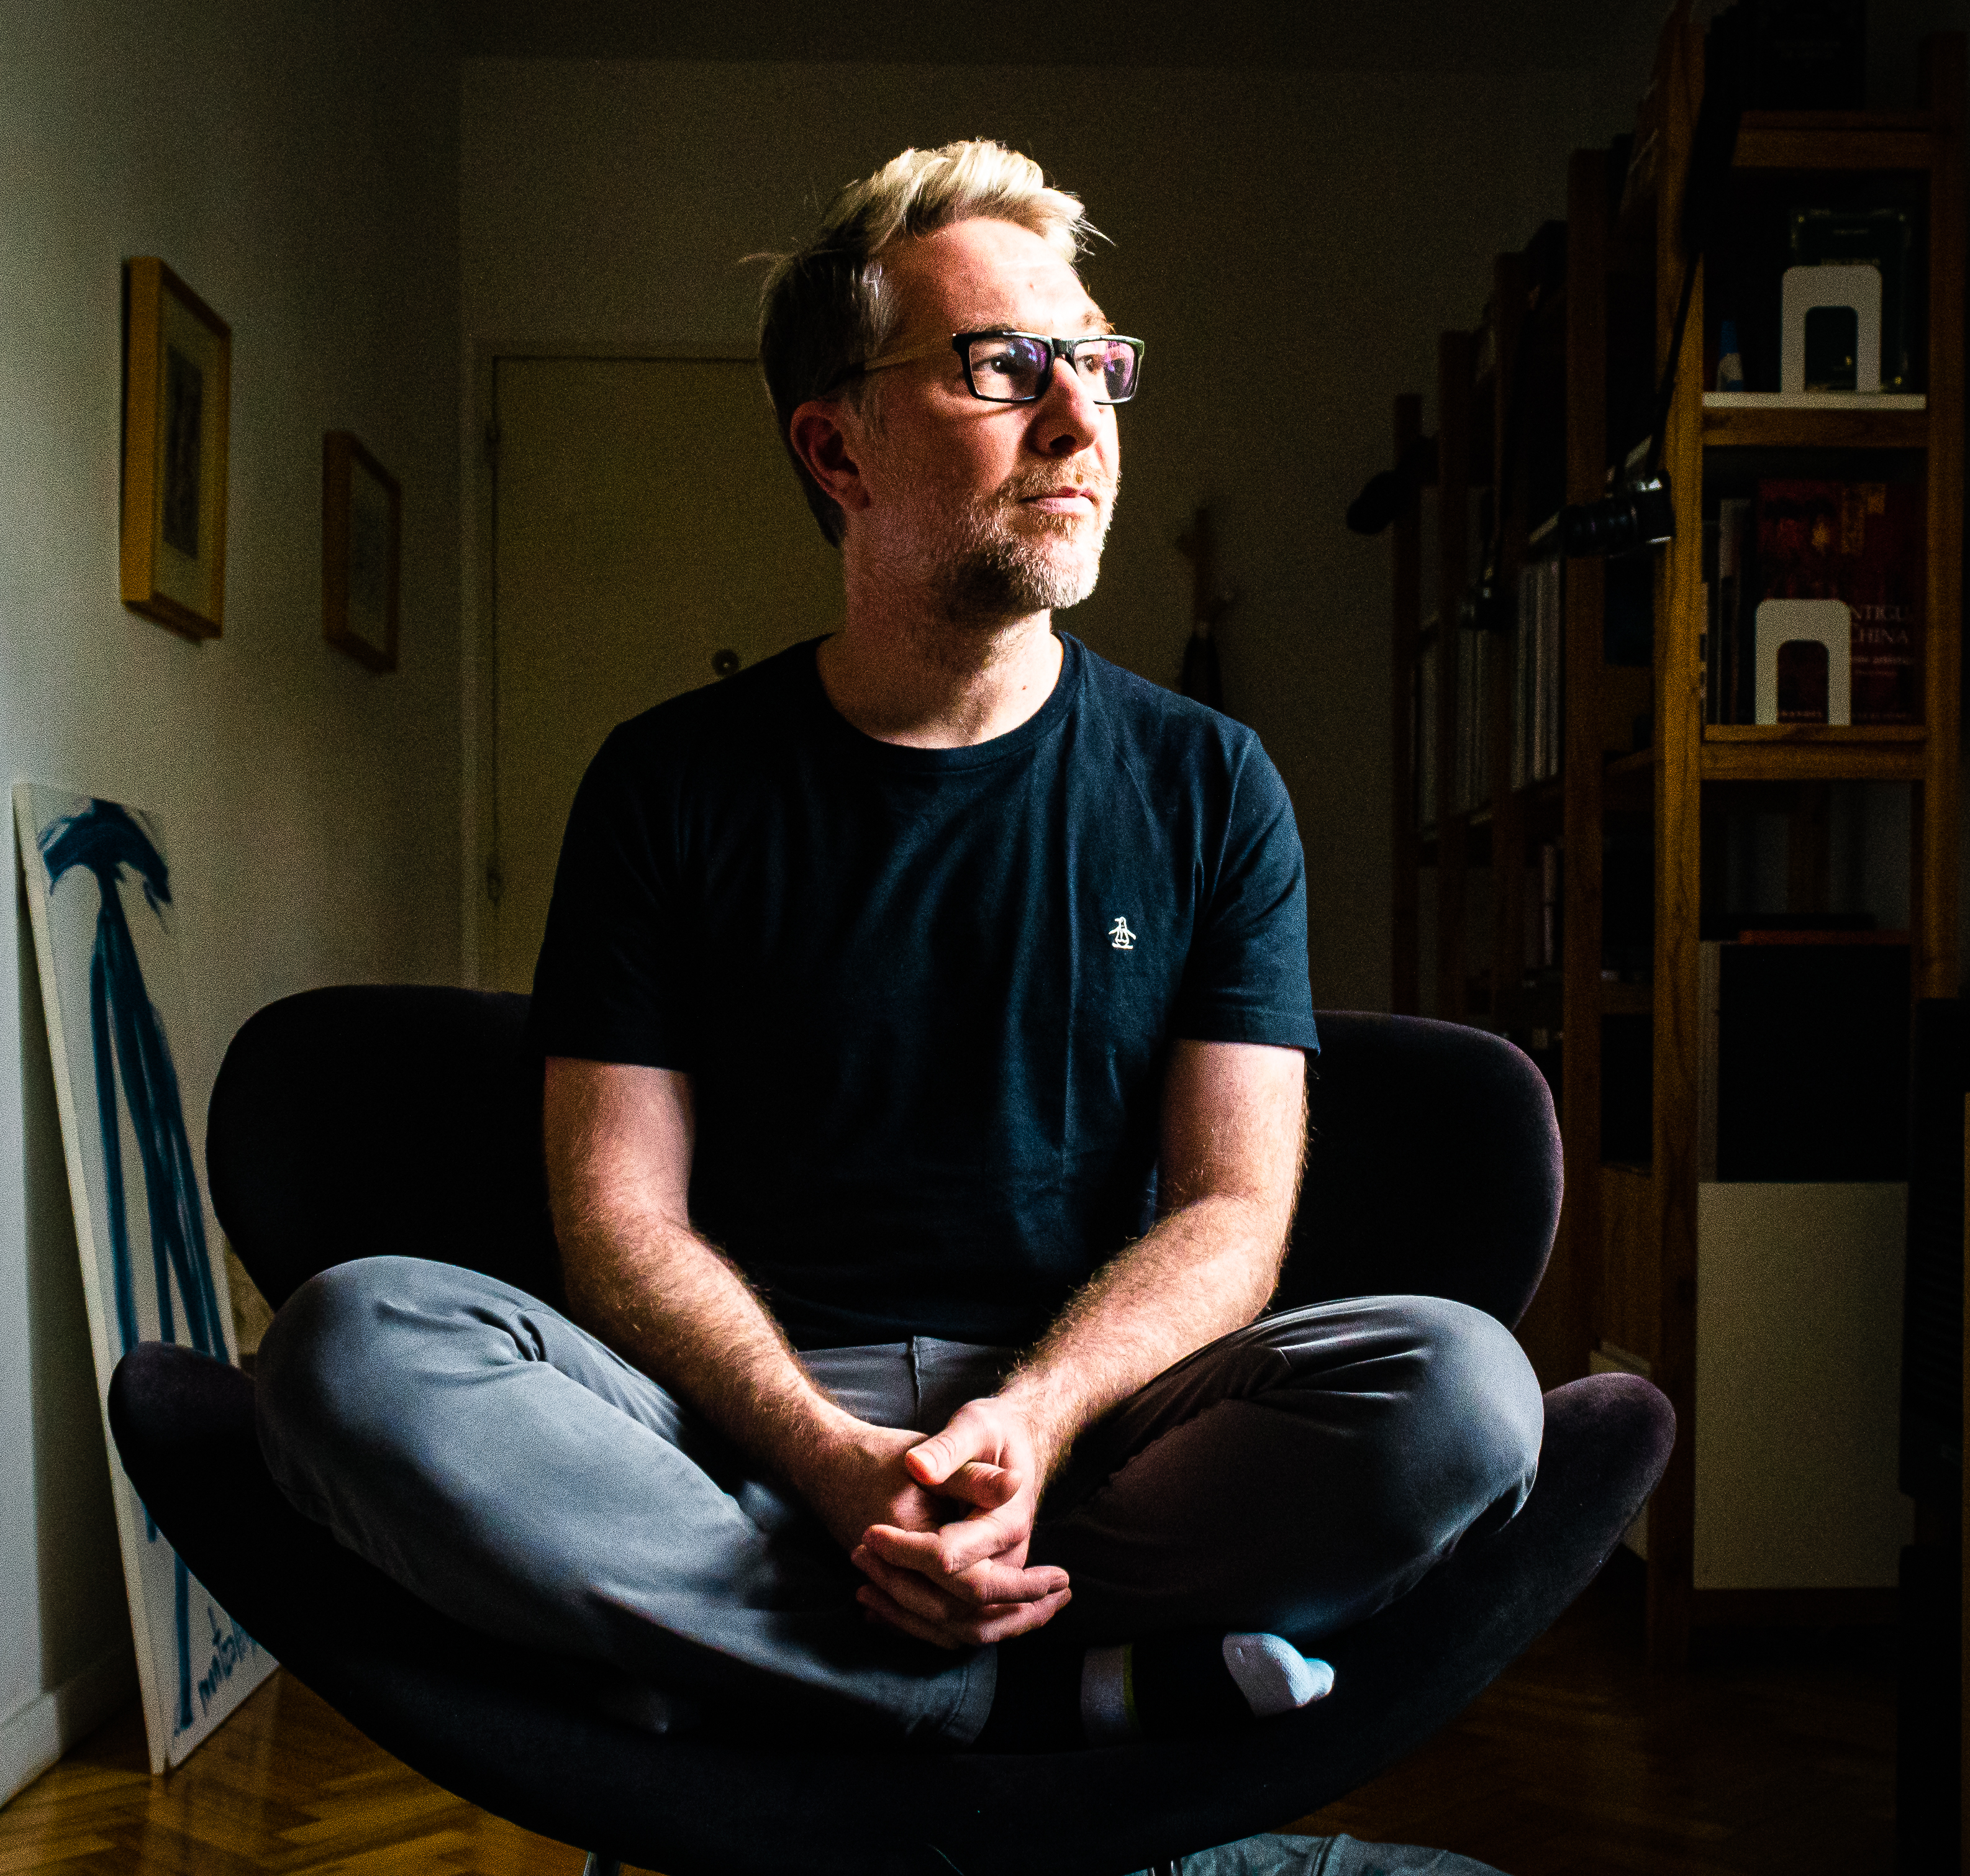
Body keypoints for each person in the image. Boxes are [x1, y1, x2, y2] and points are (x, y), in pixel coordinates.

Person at [255, 140, 1544, 1754]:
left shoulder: (1209, 783)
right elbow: (614, 1213)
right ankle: (1036, 1674)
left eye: (1095, 362)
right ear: (837, 445)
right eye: (1003, 367)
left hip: (1096, 1438)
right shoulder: (671, 784)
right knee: (351, 1346)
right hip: (734, 1435)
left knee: (1466, 1389)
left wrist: (1031, 1413)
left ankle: (773, 1653)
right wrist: (820, 1455)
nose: (1079, 421)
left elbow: (1233, 1207)